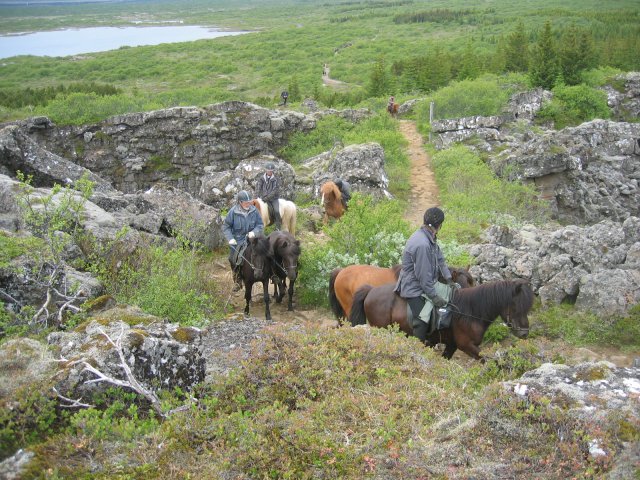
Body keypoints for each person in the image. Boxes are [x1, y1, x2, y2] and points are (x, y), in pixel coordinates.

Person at [394, 207, 457, 343]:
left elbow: (440, 259)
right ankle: (418, 348)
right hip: (414, 287)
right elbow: (423, 276)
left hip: (426, 283)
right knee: (422, 319)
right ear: (439, 225)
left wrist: (449, 278)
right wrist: (434, 296)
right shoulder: (422, 244)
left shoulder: (430, 237)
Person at [222, 190, 264, 290]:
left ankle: (271, 275)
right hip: (238, 240)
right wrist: (230, 238)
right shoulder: (233, 212)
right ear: (240, 202)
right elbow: (226, 226)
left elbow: (260, 225)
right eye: (246, 202)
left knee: (265, 252)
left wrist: (254, 232)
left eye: (250, 202)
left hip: (253, 239)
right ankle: (237, 281)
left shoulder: (254, 210)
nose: (249, 204)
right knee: (232, 259)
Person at [255, 162, 282, 229]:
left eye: (271, 171)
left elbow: (275, 191)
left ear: (272, 171)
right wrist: (256, 196)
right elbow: (258, 187)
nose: (269, 172)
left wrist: (267, 198)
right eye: (268, 170)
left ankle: (278, 227)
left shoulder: (276, 179)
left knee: (276, 211)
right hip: (263, 198)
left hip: (273, 199)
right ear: (265, 170)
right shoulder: (261, 178)